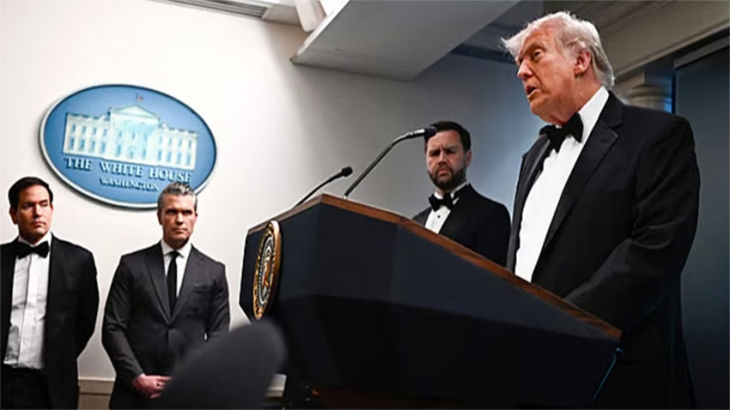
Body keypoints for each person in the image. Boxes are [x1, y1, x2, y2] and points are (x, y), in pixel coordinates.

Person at [502, 11, 699, 408]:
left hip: (620, 381)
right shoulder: (532, 157)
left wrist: (559, 325)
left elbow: (653, 253)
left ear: (581, 60)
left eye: (535, 55)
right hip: (532, 374)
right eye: (519, 63)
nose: (522, 72)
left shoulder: (658, 135)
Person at [102, 182, 230, 409]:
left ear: (195, 217)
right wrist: (136, 377)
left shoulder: (214, 272)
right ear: (159, 216)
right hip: (133, 396)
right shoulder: (131, 265)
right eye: (172, 212)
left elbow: (218, 336)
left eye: (186, 212)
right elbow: (112, 327)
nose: (179, 219)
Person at [1, 176, 99, 409]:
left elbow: (85, 322)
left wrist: (60, 358)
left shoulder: (79, 261)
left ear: (51, 210)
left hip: (51, 387)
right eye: (28, 206)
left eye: (43, 205)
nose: (37, 213)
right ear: (13, 214)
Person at [413, 121, 510, 266]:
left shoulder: (492, 214)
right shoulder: (415, 223)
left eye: (450, 151)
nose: (441, 160)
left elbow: (492, 278)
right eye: (434, 153)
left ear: (468, 158)